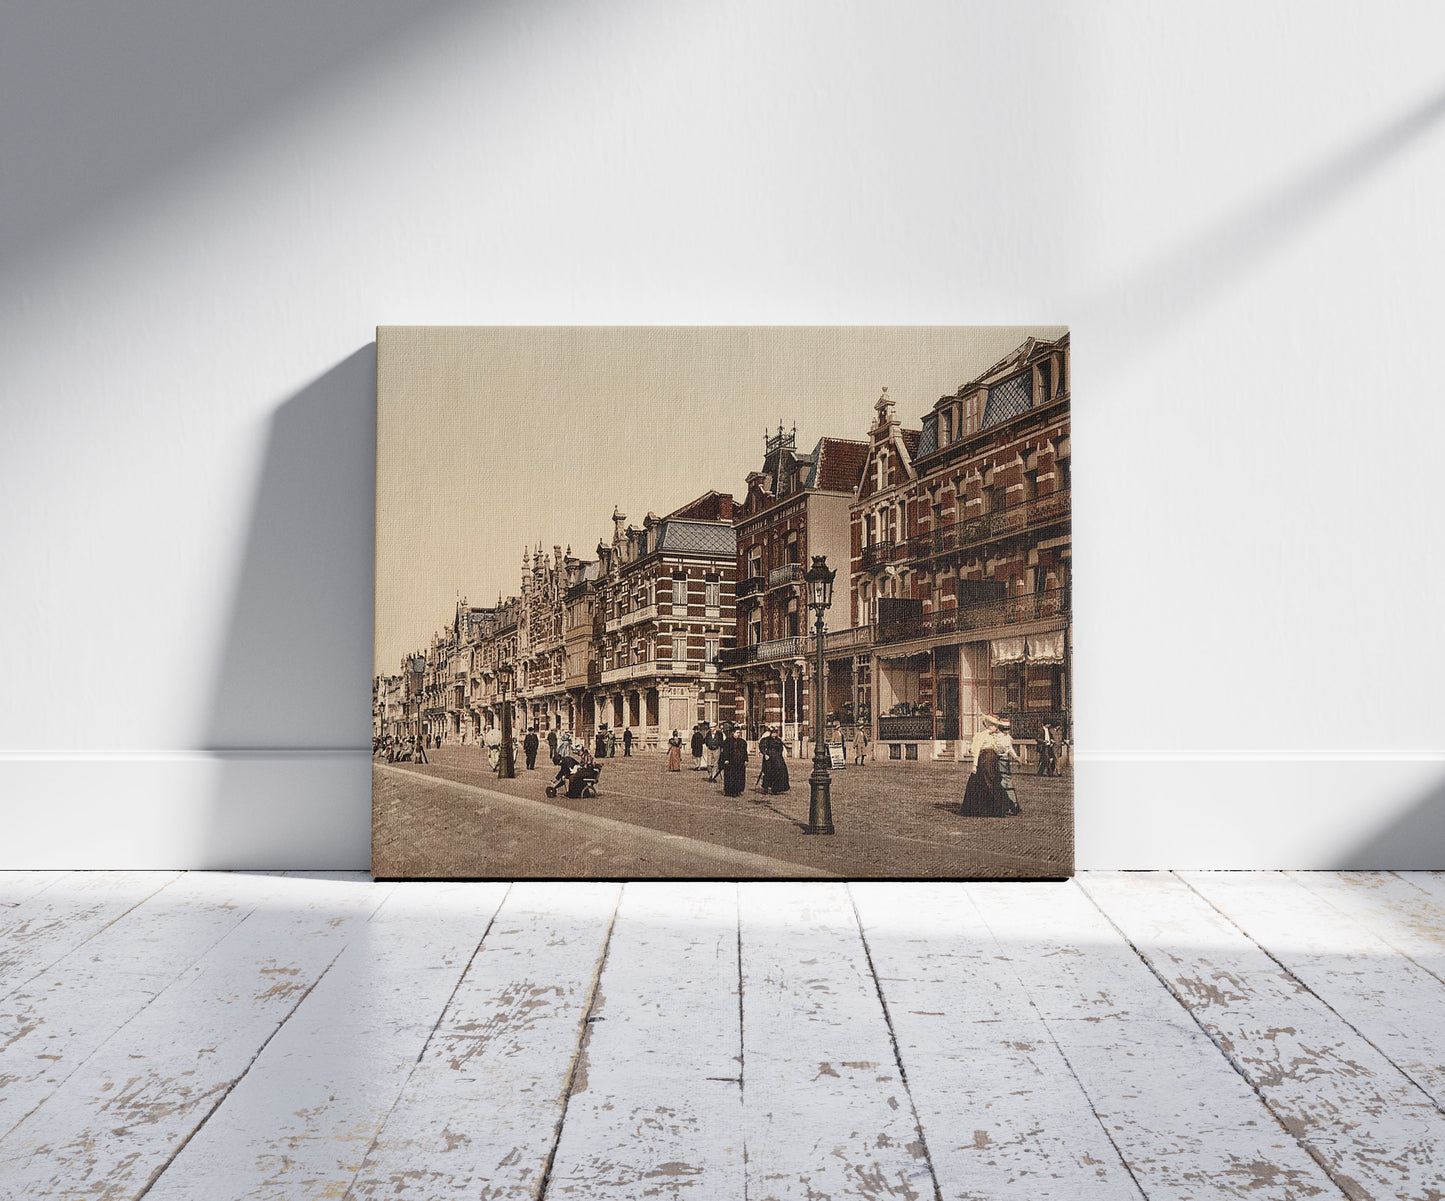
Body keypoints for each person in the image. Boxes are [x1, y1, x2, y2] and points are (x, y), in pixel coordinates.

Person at [960, 715, 1019, 817]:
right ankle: (998, 807)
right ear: (990, 726)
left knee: (993, 782)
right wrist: (974, 765)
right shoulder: (981, 735)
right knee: (989, 782)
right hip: (985, 761)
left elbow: (1002, 748)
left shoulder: (993, 736)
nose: (997, 728)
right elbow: (976, 750)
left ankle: (998, 807)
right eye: (995, 726)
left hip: (992, 762)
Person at [719, 725, 749, 797]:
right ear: (733, 733)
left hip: (740, 762)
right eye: (737, 733)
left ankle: (738, 790)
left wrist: (746, 760)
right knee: (730, 777)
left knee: (739, 777)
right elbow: (725, 751)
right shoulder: (727, 741)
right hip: (730, 762)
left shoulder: (743, 742)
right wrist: (725, 759)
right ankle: (729, 791)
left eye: (739, 733)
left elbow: (745, 752)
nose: (738, 734)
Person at [759, 727, 790, 794]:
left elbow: (781, 749)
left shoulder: (778, 740)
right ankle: (766, 787)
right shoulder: (766, 740)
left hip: (777, 759)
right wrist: (765, 754)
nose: (774, 735)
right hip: (769, 759)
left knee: (780, 772)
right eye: (773, 733)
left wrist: (778, 755)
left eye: (775, 733)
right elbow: (762, 747)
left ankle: (776, 788)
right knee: (768, 773)